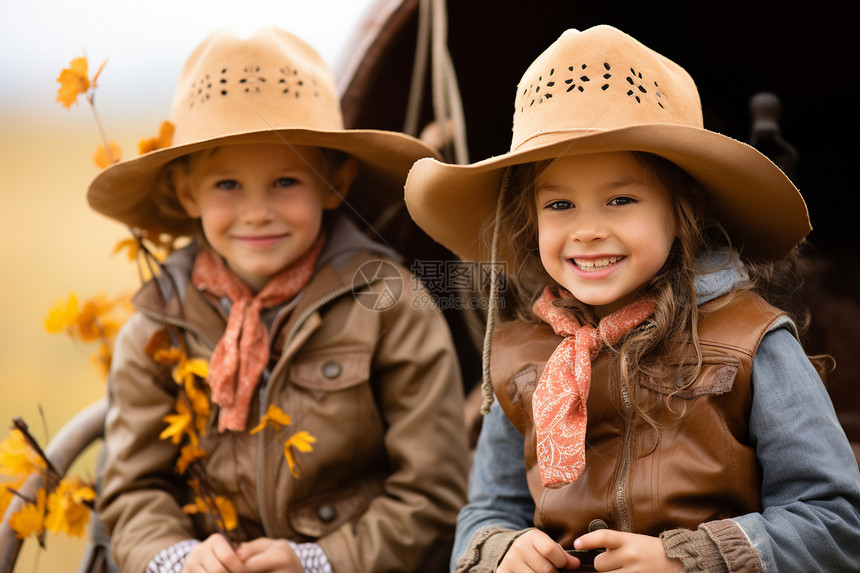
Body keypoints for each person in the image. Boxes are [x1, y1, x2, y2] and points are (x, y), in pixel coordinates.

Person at [404, 24, 860, 572]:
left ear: (683, 207)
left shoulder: (752, 341)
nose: (588, 230)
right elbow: (486, 513)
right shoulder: (518, 354)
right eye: (559, 205)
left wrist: (691, 559)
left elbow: (836, 523)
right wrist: (503, 550)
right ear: (529, 218)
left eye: (620, 199)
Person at [89, 27, 469, 573]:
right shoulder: (157, 326)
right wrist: (177, 558)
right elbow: (131, 491)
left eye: (286, 181)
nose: (257, 212)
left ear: (334, 182)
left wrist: (321, 560)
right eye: (227, 186)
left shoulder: (391, 307)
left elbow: (433, 495)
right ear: (186, 192)